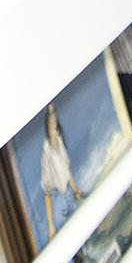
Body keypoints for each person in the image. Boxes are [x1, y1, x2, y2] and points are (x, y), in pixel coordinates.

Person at [40, 102, 83, 240]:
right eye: (49, 114)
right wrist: (51, 228)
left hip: (69, 194)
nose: (52, 116)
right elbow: (46, 191)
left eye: (54, 112)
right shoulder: (47, 148)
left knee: (81, 234)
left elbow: (66, 169)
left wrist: (75, 190)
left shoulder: (60, 139)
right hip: (58, 199)